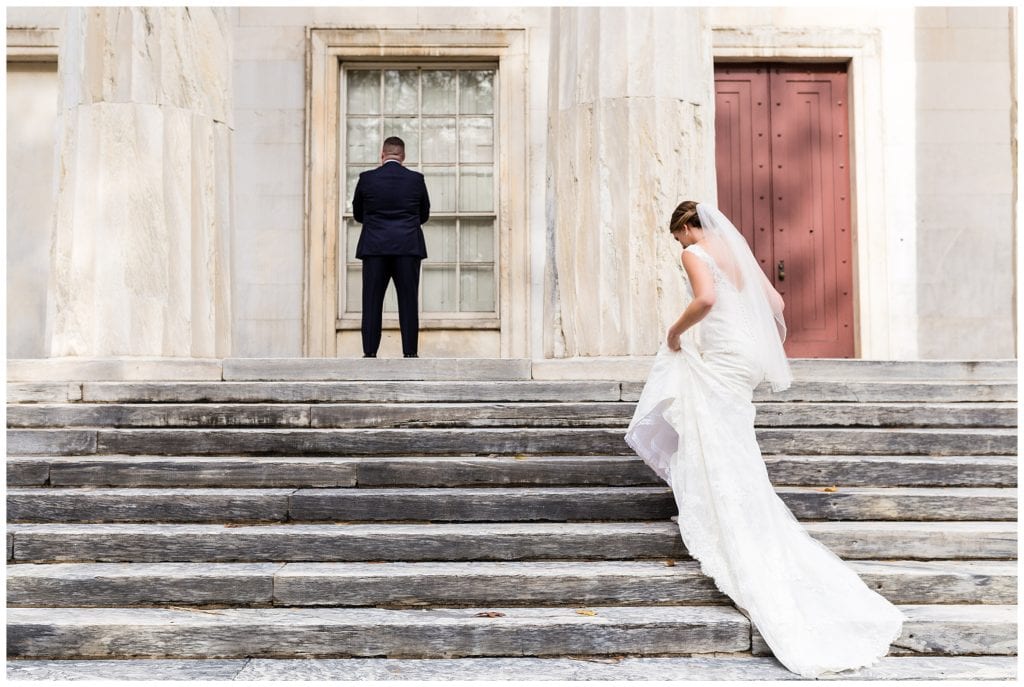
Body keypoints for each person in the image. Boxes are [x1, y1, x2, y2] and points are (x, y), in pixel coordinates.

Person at [625, 201, 905, 678]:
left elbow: (706, 301)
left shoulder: (695, 253)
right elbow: (775, 305)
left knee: (709, 424)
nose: (681, 245)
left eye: (679, 236)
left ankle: (721, 508)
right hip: (748, 356)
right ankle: (736, 501)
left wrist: (674, 331)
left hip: (723, 353)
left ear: (686, 227)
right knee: (727, 433)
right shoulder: (736, 249)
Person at [352, 136, 430, 358]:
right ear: (403, 157)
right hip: (407, 247)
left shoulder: (367, 179)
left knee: (372, 302)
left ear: (382, 155)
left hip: (375, 248)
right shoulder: (416, 180)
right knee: (408, 301)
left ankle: (369, 354)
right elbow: (423, 214)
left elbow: (359, 213)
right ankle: (410, 354)